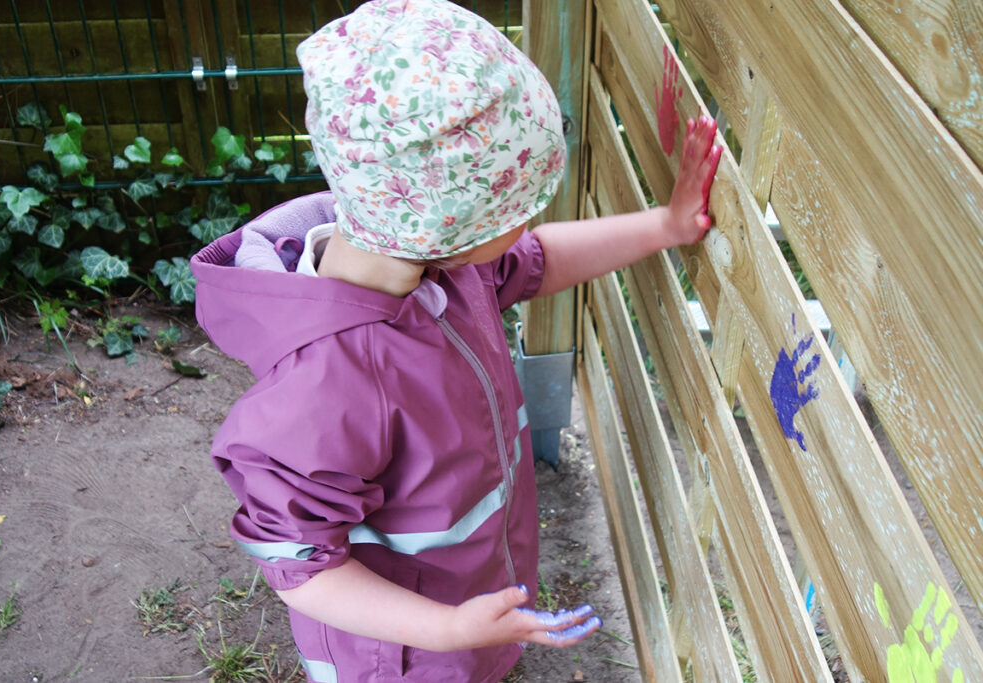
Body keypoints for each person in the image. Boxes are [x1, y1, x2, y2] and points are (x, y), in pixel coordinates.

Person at [190, 1, 721, 681]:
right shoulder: (330, 379)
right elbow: (299, 563)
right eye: (515, 205)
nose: (531, 215)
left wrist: (664, 226)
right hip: (401, 657)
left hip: (468, 609)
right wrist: (445, 628)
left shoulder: (436, 269)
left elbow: (534, 261)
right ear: (444, 226)